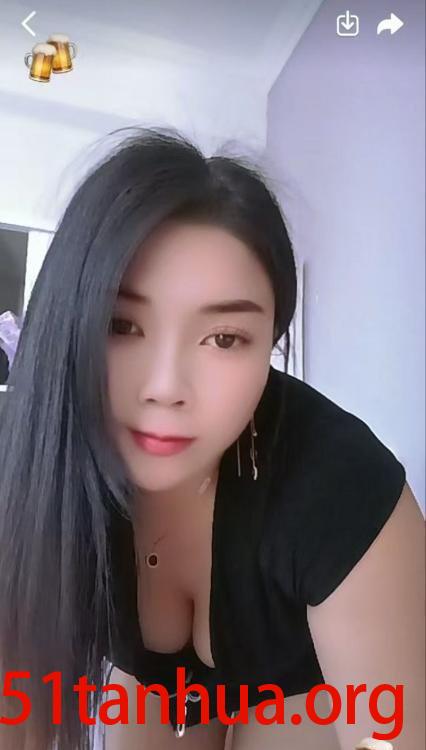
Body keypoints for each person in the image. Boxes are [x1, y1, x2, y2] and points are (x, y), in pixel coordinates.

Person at [0, 127, 424, 750]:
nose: (166, 388)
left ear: (270, 344)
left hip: (302, 685)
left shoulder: (344, 488)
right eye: (122, 324)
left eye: (224, 338)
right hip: (151, 679)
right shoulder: (27, 461)